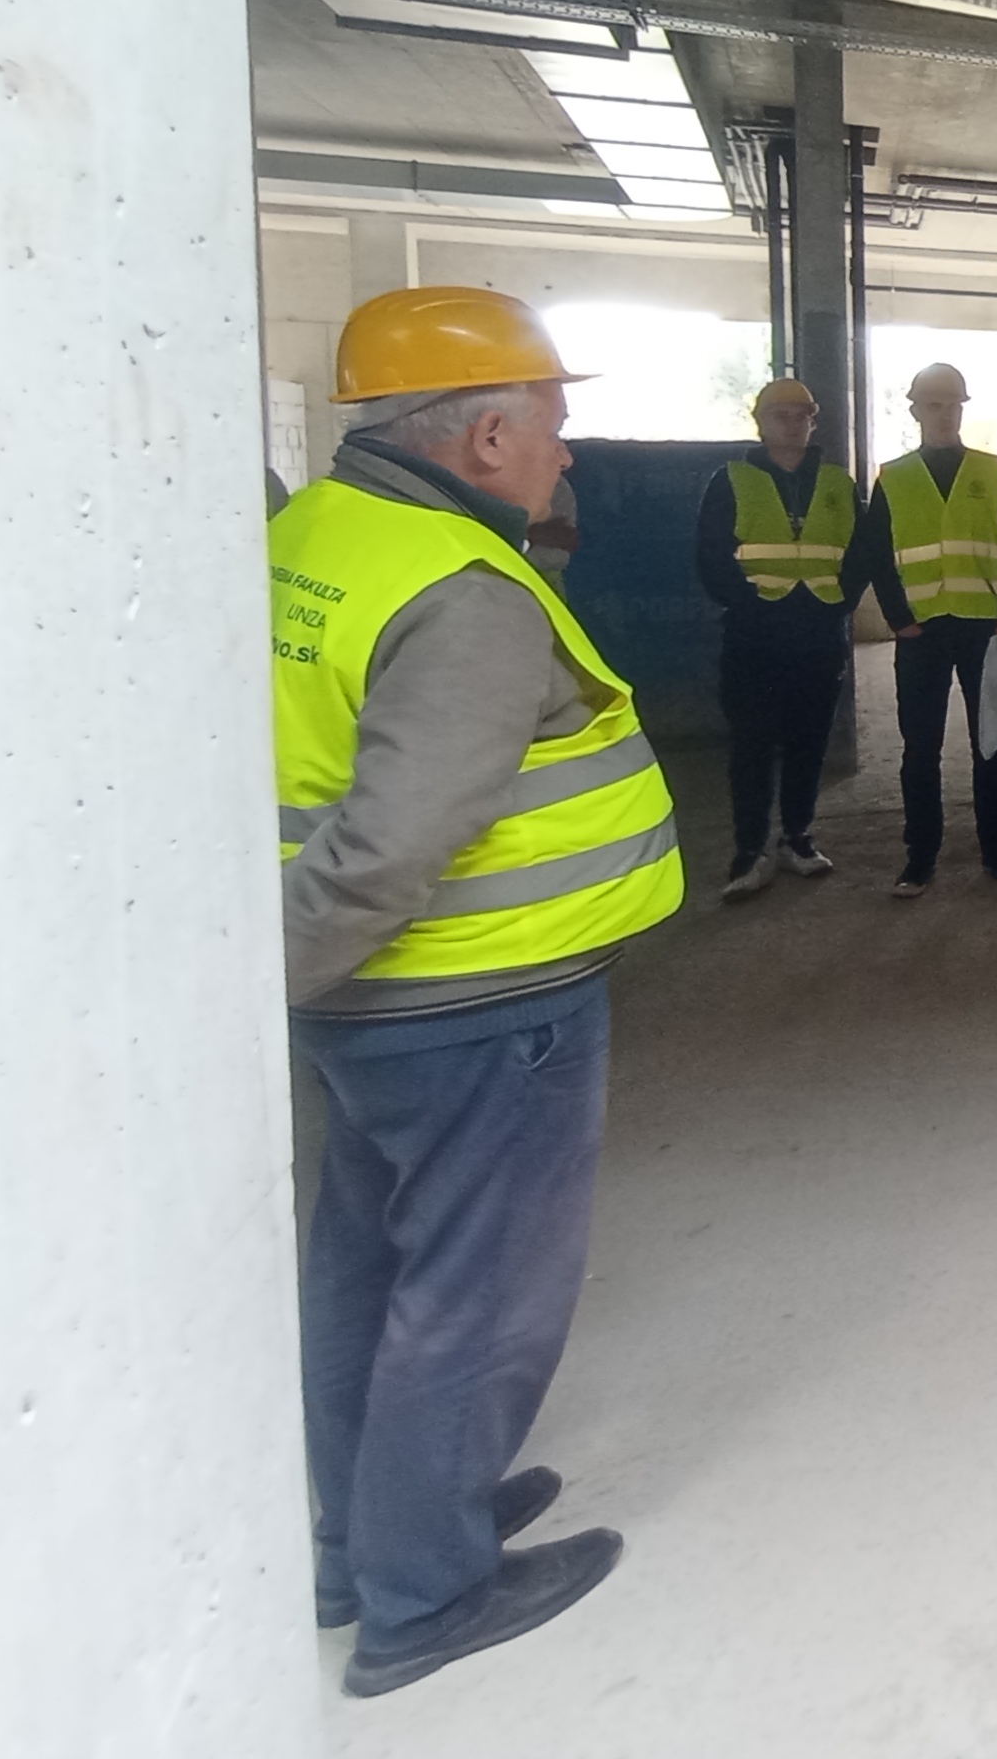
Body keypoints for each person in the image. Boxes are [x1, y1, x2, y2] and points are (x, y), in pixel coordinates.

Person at [273, 288, 676, 1696]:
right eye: (554, 422)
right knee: (479, 1295)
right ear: (488, 434)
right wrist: (263, 991)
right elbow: (391, 844)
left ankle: (367, 1537)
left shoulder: (315, 538)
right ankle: (425, 1594)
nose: (566, 450)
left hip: (374, 1015)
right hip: (471, 1007)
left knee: (368, 1270)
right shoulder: (462, 592)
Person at [861, 361, 997, 897]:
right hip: (923, 632)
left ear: (963, 409)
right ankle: (920, 857)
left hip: (985, 627)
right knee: (920, 748)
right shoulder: (894, 477)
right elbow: (876, 554)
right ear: (915, 411)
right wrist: (899, 620)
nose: (943, 414)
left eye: (952, 405)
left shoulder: (991, 471)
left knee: (993, 743)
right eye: (933, 405)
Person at [693, 377, 864, 902]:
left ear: (813, 422)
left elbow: (860, 553)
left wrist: (838, 602)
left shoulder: (837, 483)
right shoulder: (732, 480)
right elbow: (711, 556)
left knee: (808, 743)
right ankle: (750, 850)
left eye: (801, 415)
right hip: (754, 637)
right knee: (752, 746)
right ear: (759, 421)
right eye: (780, 415)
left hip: (819, 635)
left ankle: (797, 838)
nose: (792, 424)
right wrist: (751, 605)